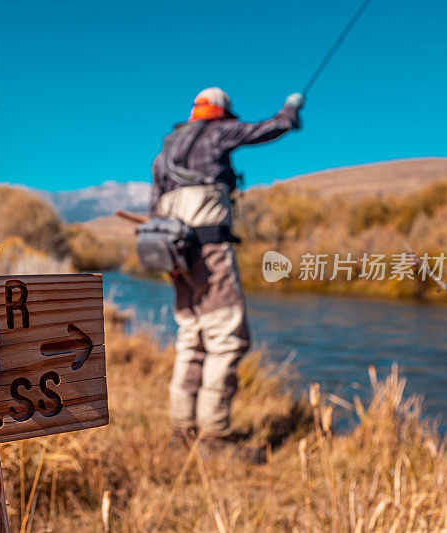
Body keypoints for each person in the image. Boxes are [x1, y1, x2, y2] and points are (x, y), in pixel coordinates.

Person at [150, 87, 303, 461]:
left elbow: (154, 205)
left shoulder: (166, 148)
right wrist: (290, 109)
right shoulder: (218, 131)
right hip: (209, 251)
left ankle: (180, 432)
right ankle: (215, 439)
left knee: (192, 336)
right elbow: (267, 130)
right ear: (221, 112)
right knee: (228, 337)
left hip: (173, 255)